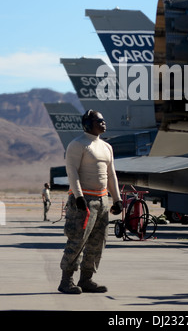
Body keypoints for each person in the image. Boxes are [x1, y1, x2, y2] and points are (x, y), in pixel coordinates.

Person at [58, 109, 122, 294]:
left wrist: (116, 199)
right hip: (84, 201)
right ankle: (66, 280)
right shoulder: (78, 145)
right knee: (77, 240)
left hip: (102, 200)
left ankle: (86, 279)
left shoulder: (106, 147)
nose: (103, 123)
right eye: (99, 121)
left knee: (98, 242)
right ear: (87, 125)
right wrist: (78, 197)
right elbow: (72, 171)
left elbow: (111, 174)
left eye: (103, 120)